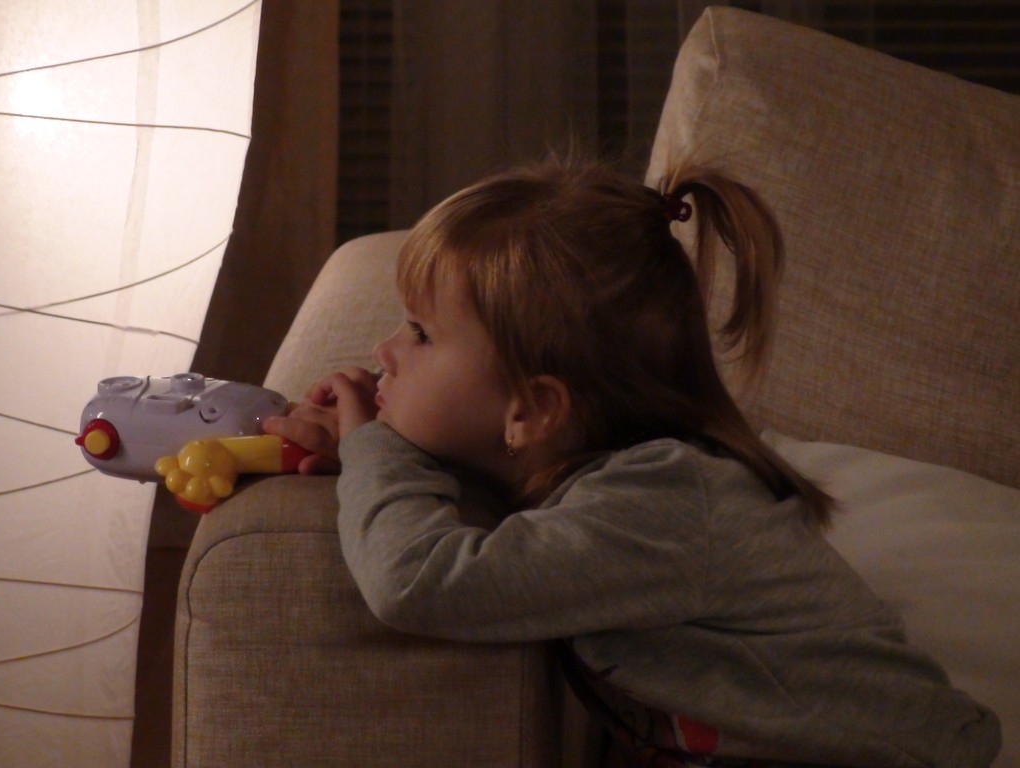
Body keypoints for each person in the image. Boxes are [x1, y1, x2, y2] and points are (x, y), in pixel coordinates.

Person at [263, 159, 1000, 767]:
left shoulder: (659, 504)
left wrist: (378, 446)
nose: (385, 351)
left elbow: (417, 581)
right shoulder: (600, 484)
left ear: (532, 410)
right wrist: (368, 454)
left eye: (420, 333)